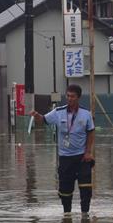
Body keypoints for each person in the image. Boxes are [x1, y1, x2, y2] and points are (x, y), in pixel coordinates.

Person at [30, 84, 95, 214]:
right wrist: (37, 116)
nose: (70, 99)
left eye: (73, 96)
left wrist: (88, 152)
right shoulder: (58, 112)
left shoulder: (86, 114)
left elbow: (91, 132)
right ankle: (67, 215)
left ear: (79, 97)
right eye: (68, 96)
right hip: (65, 158)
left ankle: (85, 216)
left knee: (86, 189)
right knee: (65, 191)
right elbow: (43, 120)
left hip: (82, 157)